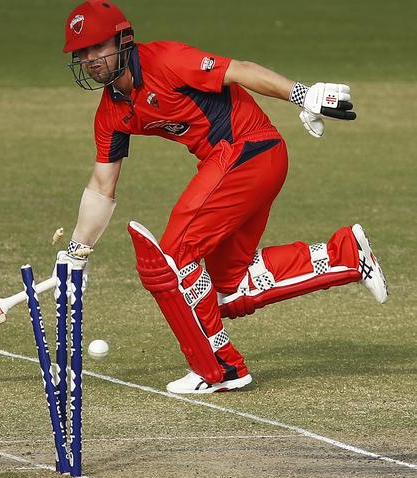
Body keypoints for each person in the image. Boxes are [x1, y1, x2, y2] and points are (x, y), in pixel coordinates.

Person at [54, 0, 388, 394]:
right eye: (83, 53)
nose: (91, 59)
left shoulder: (167, 60)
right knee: (227, 288)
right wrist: (77, 252)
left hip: (248, 151)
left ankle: (221, 368)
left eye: (97, 47)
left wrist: (303, 94)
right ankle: (346, 254)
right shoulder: (112, 112)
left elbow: (241, 70)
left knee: (174, 257)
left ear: (124, 39)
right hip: (240, 162)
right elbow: (101, 186)